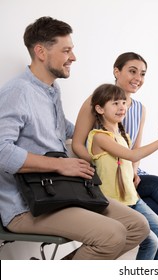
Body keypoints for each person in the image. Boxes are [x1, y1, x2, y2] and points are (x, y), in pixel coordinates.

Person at [0, 16, 149, 260]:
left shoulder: (51, 90)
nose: (74, 57)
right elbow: (2, 152)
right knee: (111, 235)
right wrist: (61, 164)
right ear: (40, 51)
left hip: (62, 191)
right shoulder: (17, 92)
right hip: (27, 205)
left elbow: (64, 129)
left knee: (138, 227)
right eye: (66, 50)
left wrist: (105, 135)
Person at [72, 52, 158, 234]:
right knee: (157, 185)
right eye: (132, 71)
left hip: (130, 173)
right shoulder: (96, 102)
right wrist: (99, 162)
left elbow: (135, 149)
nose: (138, 78)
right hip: (104, 175)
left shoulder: (140, 109)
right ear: (116, 71)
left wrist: (131, 172)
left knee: (156, 204)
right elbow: (77, 144)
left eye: (142, 74)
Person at [87, 83, 158, 260]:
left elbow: (127, 168)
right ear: (100, 109)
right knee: (151, 241)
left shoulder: (122, 136)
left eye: (123, 103)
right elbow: (132, 155)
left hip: (132, 199)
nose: (121, 107)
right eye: (115, 103)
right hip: (113, 203)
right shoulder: (99, 137)